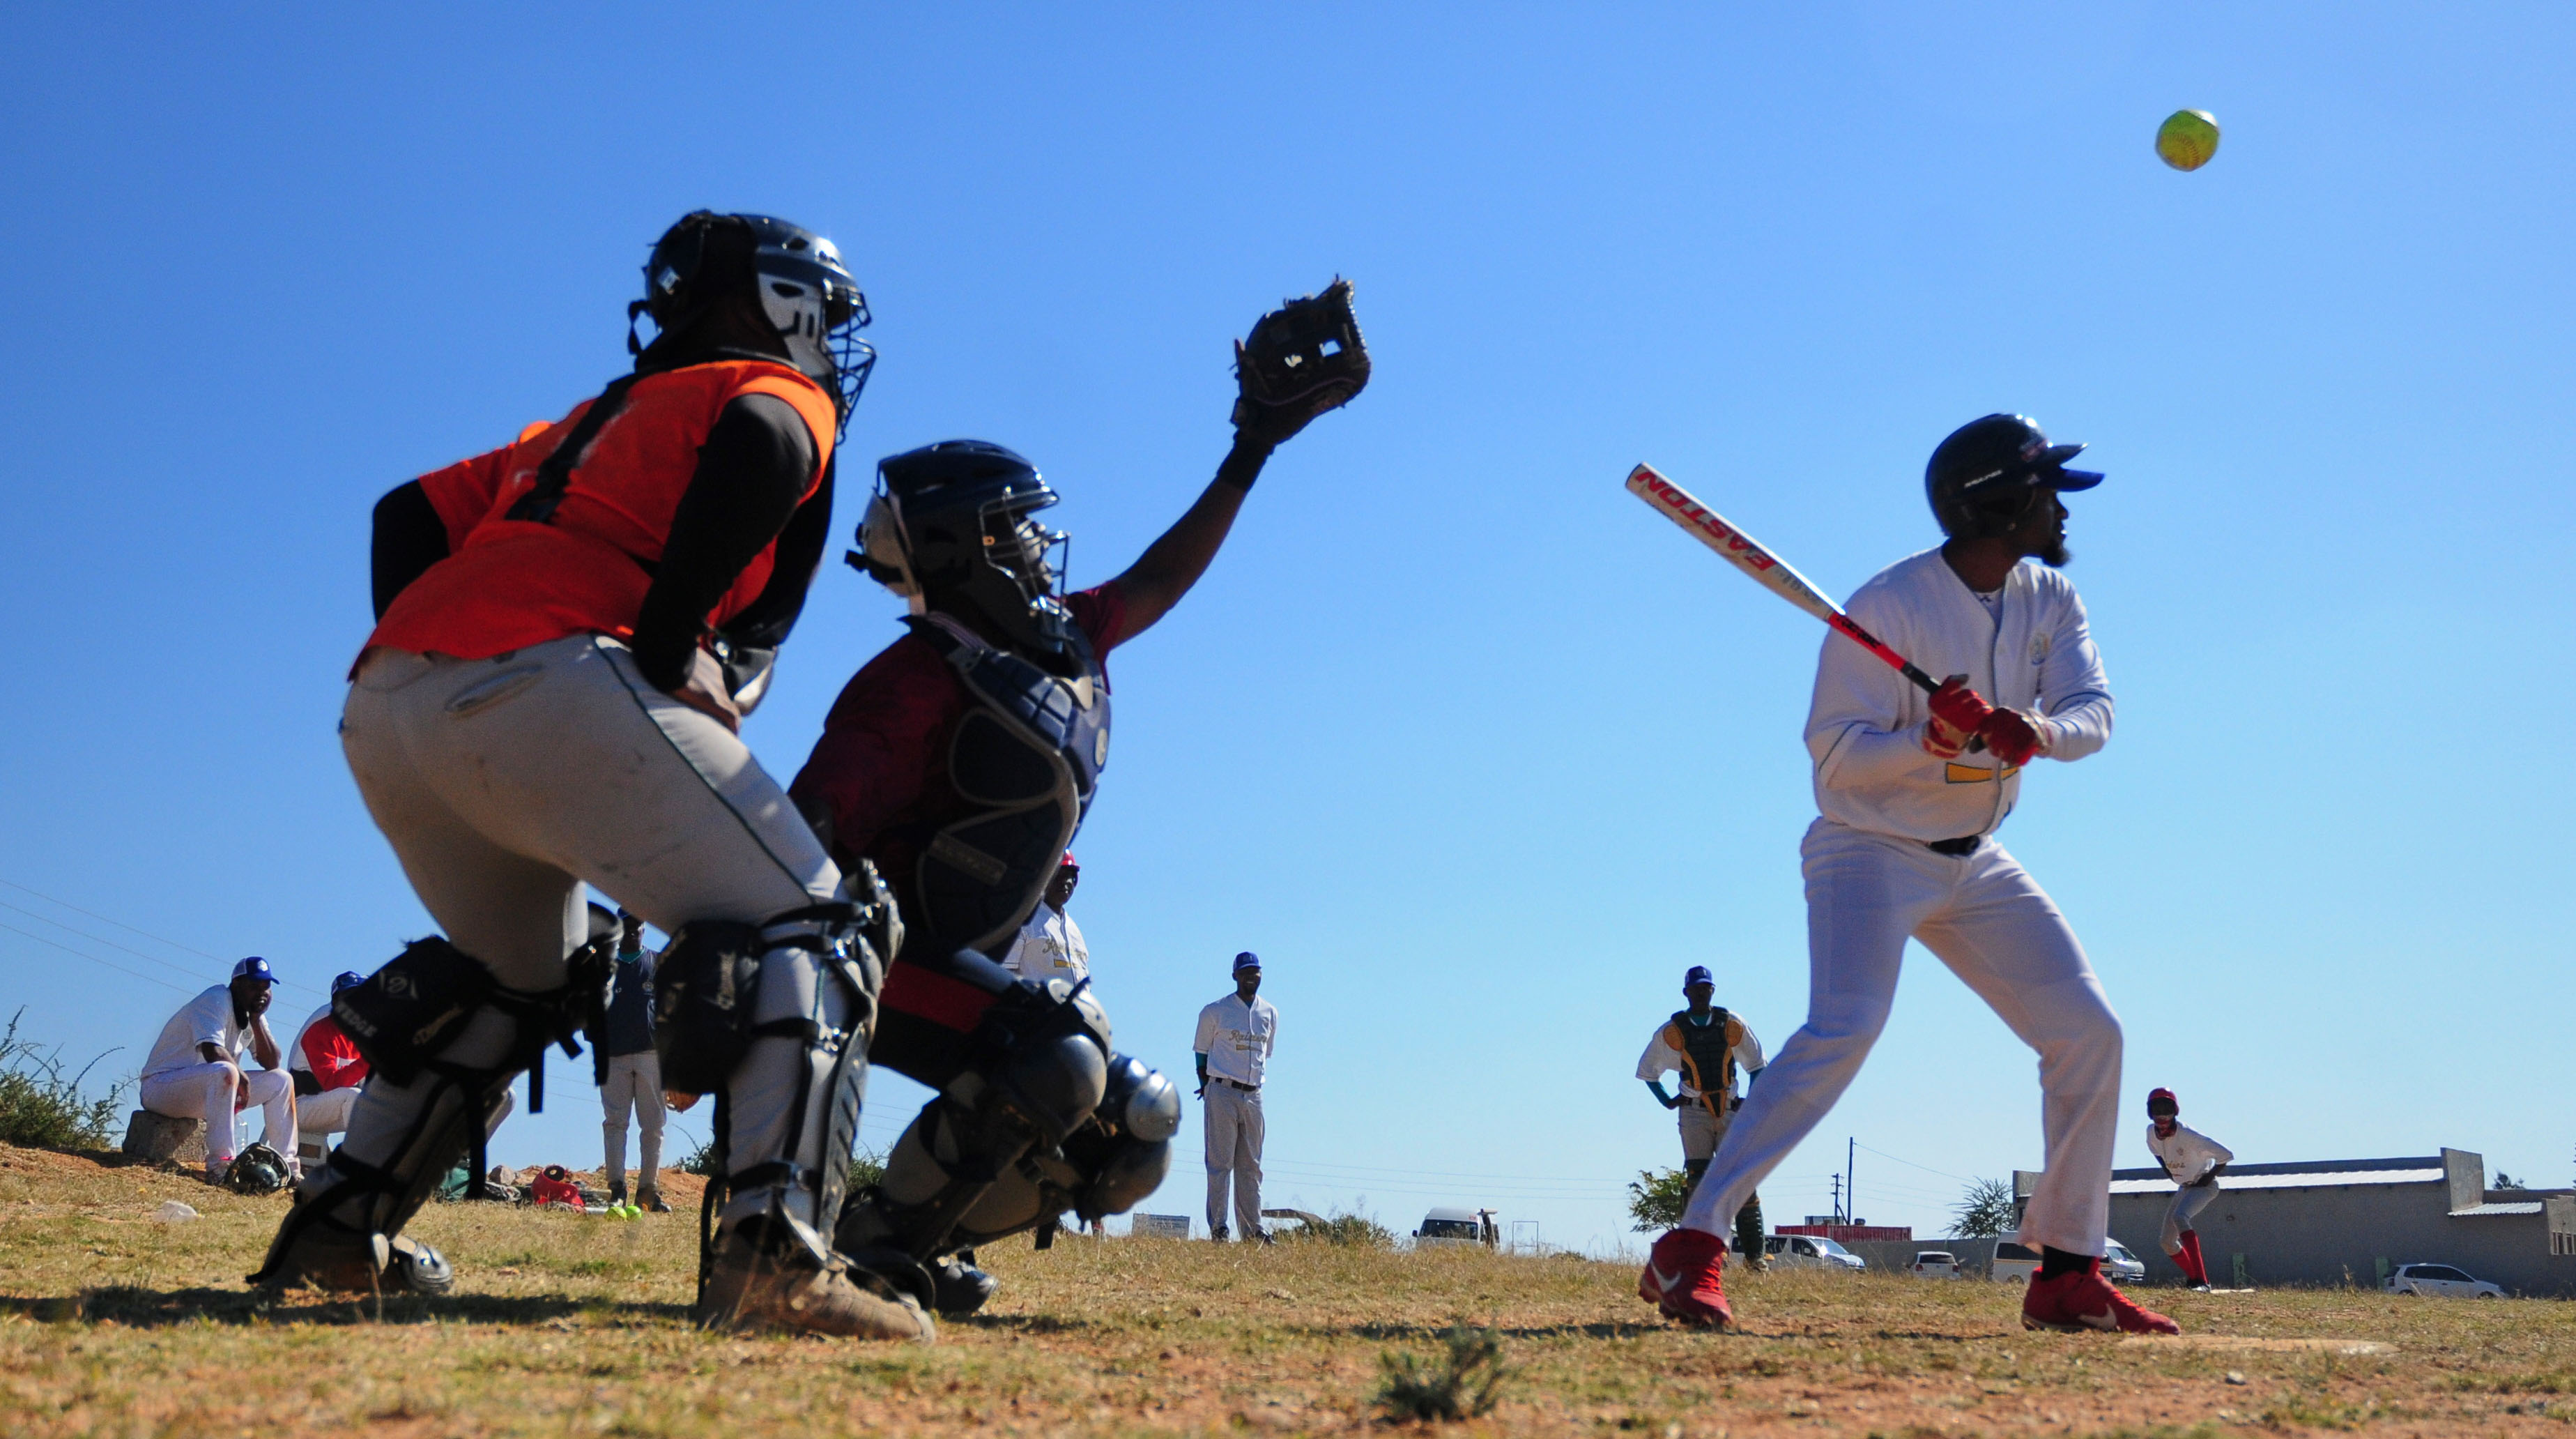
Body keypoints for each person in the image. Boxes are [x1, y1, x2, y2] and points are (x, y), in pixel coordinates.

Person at [250, 210, 927, 1341]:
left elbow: (404, 512)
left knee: (521, 968)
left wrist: (442, 644)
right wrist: (667, 640)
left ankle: (337, 1228)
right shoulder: (768, 384)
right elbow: (767, 437)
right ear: (781, 302)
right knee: (827, 915)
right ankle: (777, 1263)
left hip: (391, 699)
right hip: (562, 670)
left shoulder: (580, 421)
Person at [789, 282, 1365, 1312]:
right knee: (1055, 1058)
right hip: (859, 960)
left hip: (942, 956)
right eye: (1009, 530)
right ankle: (843, 1245)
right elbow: (806, 842)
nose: (1033, 546)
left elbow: (1161, 576)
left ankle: (902, 1239)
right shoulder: (911, 680)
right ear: (963, 548)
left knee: (1128, 1129)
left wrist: (1251, 451)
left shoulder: (1059, 641)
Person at [1641, 414, 2177, 1337]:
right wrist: (1927, 740)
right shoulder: (1885, 608)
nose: (2061, 509)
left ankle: (2067, 1271)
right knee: (1846, 1027)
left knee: (2091, 1033)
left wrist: (2038, 731)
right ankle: (1690, 1245)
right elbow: (1835, 764)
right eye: (2045, 490)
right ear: (1999, 503)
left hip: (1978, 859)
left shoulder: (2052, 596)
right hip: (1867, 850)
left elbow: (2094, 710)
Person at [1636, 964, 1768, 1265]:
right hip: (1693, 1111)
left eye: (1706, 988)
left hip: (1730, 1108)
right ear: (1686, 992)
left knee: (1742, 1181)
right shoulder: (1672, 1031)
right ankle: (1698, 1258)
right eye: (1696, 988)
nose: (1701, 992)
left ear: (1712, 990)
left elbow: (1757, 1064)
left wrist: (1751, 1099)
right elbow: (1648, 1073)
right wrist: (1669, 1102)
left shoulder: (1731, 1024)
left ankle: (1755, 1258)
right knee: (1698, 1181)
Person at [139, 958, 298, 1184]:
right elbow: (211, 1051)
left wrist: (256, 1020)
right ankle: (221, 1168)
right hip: (160, 1088)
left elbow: (272, 1062)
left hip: (203, 1093)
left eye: (266, 988)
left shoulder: (253, 1016)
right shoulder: (216, 1000)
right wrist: (239, 1076)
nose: (262, 993)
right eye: (254, 987)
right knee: (225, 1070)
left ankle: (288, 1170)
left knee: (281, 1080)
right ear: (236, 985)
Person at [1194, 952, 1277, 1243]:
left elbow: (1265, 1054)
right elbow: (1201, 1051)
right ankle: (1219, 1226)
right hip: (1222, 1090)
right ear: (1235, 976)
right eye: (1245, 972)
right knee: (1220, 1162)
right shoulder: (1215, 1011)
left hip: (1254, 1094)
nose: (1251, 977)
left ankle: (1253, 1229)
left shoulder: (1269, 1013)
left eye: (1255, 972)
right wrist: (1205, 1084)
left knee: (1251, 1165)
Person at [592, 911, 670, 1212]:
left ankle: (648, 1192)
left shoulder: (658, 963)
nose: (632, 932)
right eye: (626, 927)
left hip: (652, 1055)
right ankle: (617, 1189)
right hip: (612, 1056)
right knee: (615, 1123)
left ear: (644, 929)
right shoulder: (604, 964)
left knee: (653, 1126)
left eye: (637, 926)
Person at [2143, 1087, 2232, 1290]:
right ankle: (2193, 1280)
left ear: (2176, 1111)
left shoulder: (2188, 1135)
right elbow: (2157, 1152)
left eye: (2167, 1109)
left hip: (2204, 1186)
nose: (2162, 1116)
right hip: (2185, 1187)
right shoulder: (2151, 1133)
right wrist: (2168, 1170)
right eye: (2157, 1110)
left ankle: (2202, 1281)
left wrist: (2207, 1178)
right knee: (2167, 1241)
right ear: (2149, 1113)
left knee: (2180, 1217)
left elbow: (2225, 1155)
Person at [289, 971, 370, 1167]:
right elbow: (332, 1083)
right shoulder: (320, 1029)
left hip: (328, 1107)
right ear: (335, 1002)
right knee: (351, 1097)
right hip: (299, 1107)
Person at [999, 854, 1087, 984]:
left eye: (1071, 877)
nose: (1067, 882)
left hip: (1072, 1004)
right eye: (1060, 875)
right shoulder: (1025, 918)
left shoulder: (1075, 931)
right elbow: (1005, 972)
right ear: (1044, 877)